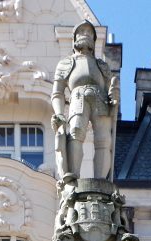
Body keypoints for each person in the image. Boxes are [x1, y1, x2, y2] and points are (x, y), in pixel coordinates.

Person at [51, 21, 118, 184]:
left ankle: (101, 180)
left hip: (100, 98)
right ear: (75, 38)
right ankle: (73, 174)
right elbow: (57, 92)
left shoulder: (102, 65)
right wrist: (59, 112)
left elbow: (112, 88)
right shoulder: (66, 63)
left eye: (89, 31)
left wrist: (115, 96)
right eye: (81, 31)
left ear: (94, 40)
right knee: (75, 134)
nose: (85, 34)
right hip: (77, 97)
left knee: (104, 139)